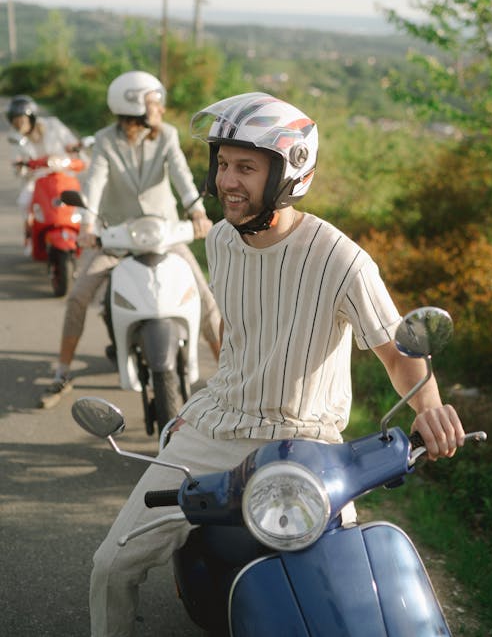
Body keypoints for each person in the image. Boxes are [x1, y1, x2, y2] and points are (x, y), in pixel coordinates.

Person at [88, 92, 465, 637]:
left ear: (289, 174)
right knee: (112, 564)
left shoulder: (341, 258)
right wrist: (204, 404)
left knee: (346, 590)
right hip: (216, 428)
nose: (226, 181)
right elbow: (234, 329)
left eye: (246, 167)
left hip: (306, 444)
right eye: (222, 164)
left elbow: (399, 351)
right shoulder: (219, 240)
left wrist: (429, 411)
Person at [40, 71, 221, 410]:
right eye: (154, 102)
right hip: (117, 235)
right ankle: (62, 371)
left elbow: (182, 176)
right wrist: (88, 223)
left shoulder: (167, 136)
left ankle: (230, 379)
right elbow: (95, 180)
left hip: (163, 233)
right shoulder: (106, 140)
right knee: (78, 296)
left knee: (207, 299)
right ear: (135, 105)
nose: (161, 110)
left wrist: (196, 212)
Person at [6, 95, 80, 250]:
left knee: (81, 200)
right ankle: (31, 233)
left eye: (22, 119)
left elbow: (70, 141)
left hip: (61, 172)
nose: (19, 124)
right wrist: (21, 166)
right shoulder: (15, 139)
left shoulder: (52, 125)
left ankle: (86, 232)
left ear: (31, 118)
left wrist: (73, 148)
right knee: (24, 201)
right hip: (35, 178)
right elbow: (17, 165)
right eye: (15, 120)